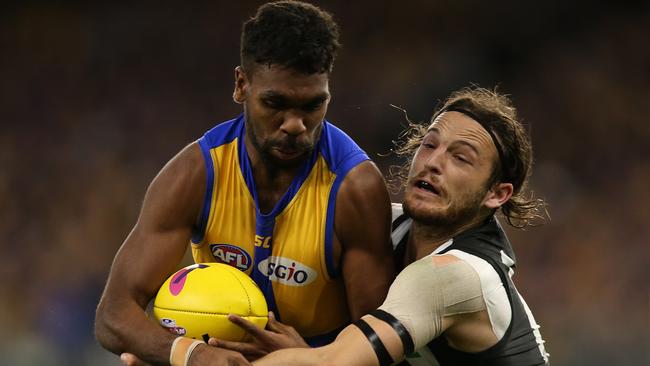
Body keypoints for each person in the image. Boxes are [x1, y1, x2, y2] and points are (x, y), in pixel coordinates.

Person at [94, 1, 395, 365]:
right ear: (241, 85)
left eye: (313, 105)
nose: (295, 125)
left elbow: (382, 348)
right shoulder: (196, 173)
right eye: (275, 103)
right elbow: (113, 316)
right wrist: (190, 355)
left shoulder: (354, 189)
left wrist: (307, 359)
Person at [248, 86, 551, 365]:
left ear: (496, 194)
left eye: (460, 158)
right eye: (430, 144)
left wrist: (301, 357)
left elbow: (333, 363)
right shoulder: (381, 225)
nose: (432, 162)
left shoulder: (458, 273)